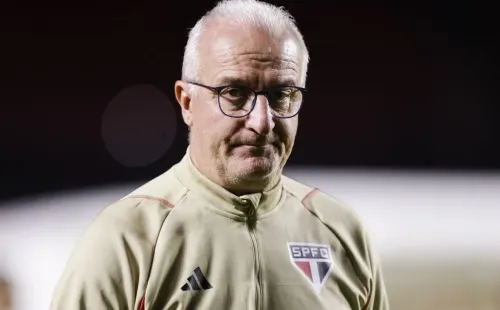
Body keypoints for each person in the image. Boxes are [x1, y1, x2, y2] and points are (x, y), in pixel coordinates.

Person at [51, 0, 390, 309]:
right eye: (235, 93)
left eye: (282, 94)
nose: (262, 121)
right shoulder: (128, 239)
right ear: (187, 103)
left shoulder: (342, 233)